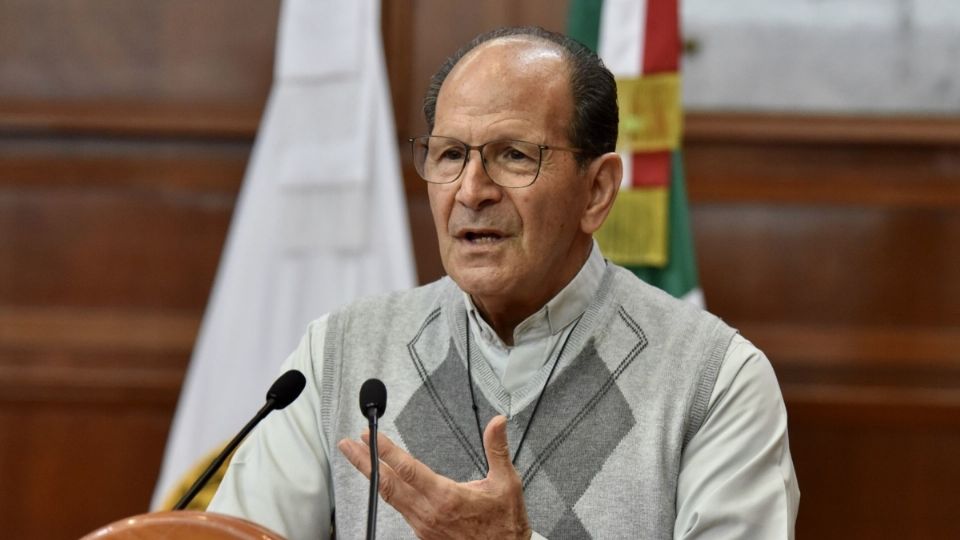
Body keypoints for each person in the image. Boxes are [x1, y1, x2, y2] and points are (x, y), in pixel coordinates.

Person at [208, 26, 800, 539]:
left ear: (596, 192)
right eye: (449, 156)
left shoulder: (714, 382)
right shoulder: (339, 357)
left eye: (514, 155)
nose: (471, 190)